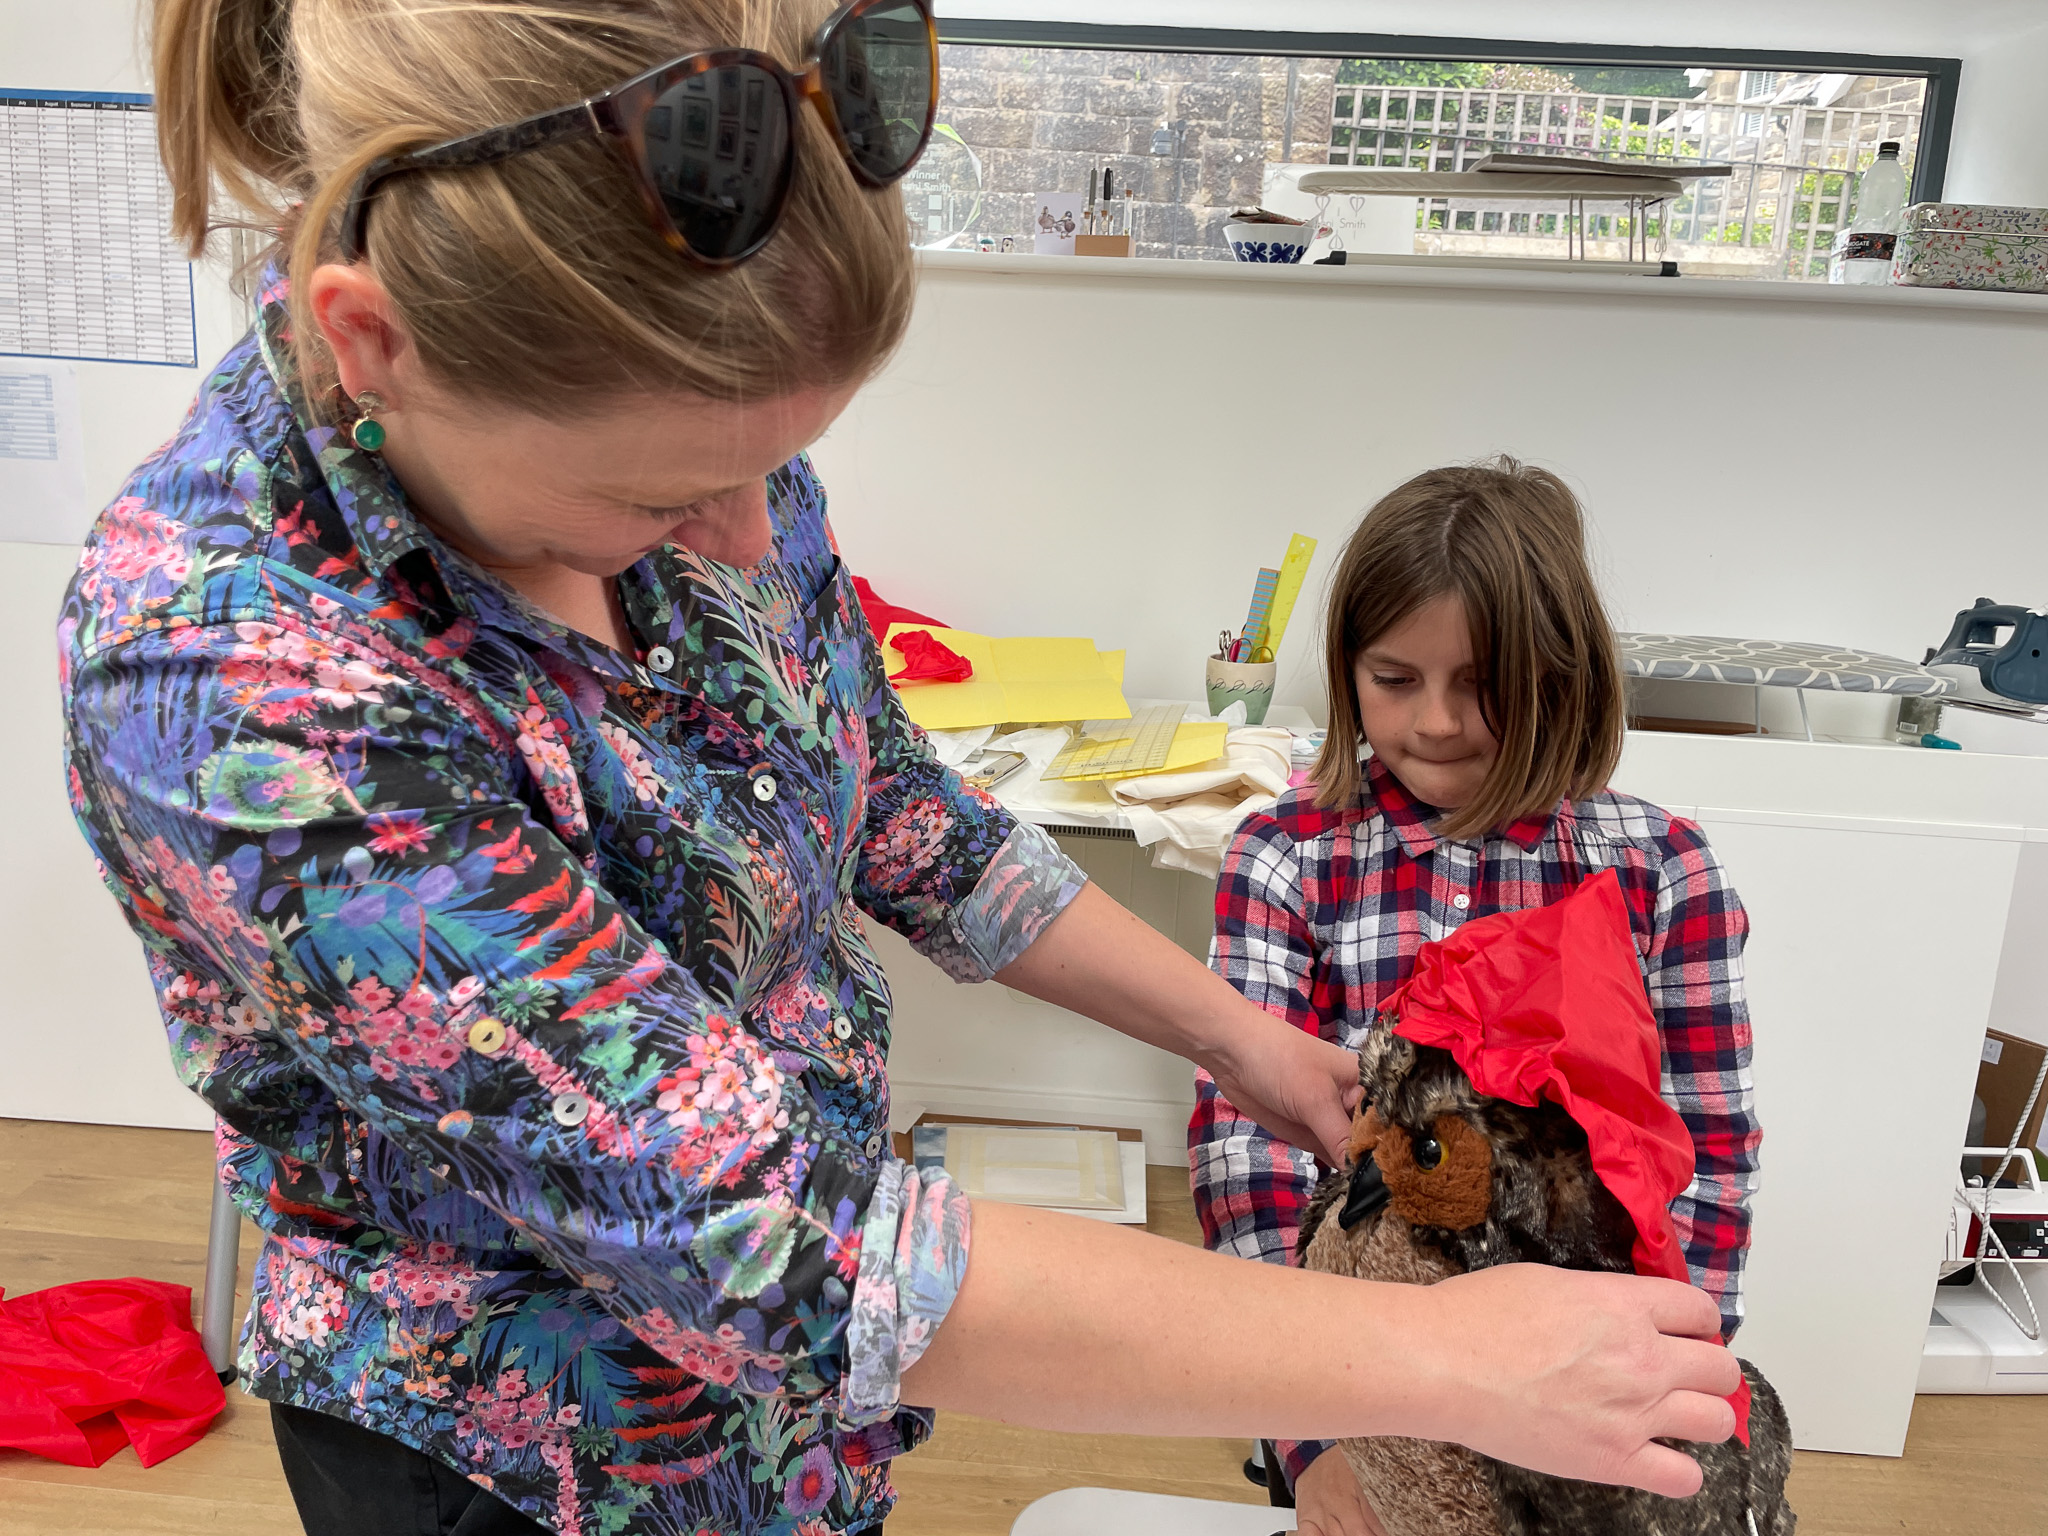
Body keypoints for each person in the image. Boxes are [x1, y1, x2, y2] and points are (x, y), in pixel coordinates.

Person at [60, 1, 1741, 1530]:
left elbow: (905, 818)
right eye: (658, 502)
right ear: (377, 344)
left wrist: (1254, 1050)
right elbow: (781, 1247)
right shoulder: (234, 672)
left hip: (804, 1427)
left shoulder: (706, 436)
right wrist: (1438, 1362)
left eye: (777, 468)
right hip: (525, 1463)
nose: (734, 539)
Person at [1191, 459, 1764, 1536]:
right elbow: (1247, 1155)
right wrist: (1305, 1440)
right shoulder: (1285, 857)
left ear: (1562, 673)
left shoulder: (1660, 870)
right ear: (1346, 669)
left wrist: (1669, 1372)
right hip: (1342, 1375)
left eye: (1481, 682)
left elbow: (1708, 1160)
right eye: (1393, 678)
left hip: (1580, 1376)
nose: (1439, 722)